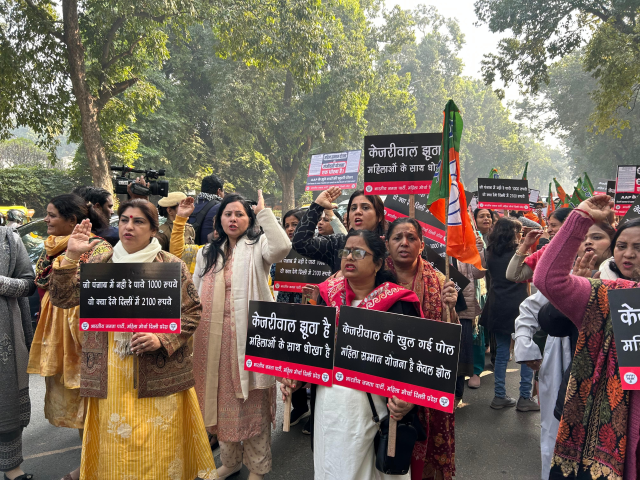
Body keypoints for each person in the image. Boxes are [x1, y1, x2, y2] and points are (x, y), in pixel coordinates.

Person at [47, 199, 216, 480]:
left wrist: (162, 338)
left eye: (138, 221)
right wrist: (72, 257)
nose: (129, 226)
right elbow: (61, 298)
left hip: (158, 374)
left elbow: (192, 311)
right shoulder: (100, 263)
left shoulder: (170, 265)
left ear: (152, 230)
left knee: (159, 446)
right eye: (124, 219)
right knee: (116, 447)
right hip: (110, 371)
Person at [282, 229, 425, 480]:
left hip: (377, 408)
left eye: (359, 253)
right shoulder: (324, 297)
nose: (349, 257)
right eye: (346, 252)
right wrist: (296, 379)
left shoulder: (398, 304)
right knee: (336, 466)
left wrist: (408, 399)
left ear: (378, 263)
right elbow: (309, 355)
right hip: (331, 407)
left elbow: (417, 365)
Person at [533, 195, 640, 479]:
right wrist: (580, 217)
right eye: (623, 246)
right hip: (611, 443)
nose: (629, 254)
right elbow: (548, 279)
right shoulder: (608, 294)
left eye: (639, 247)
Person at [192, 191, 291, 480]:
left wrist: (265, 213)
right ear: (219, 218)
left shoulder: (258, 244)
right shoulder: (207, 252)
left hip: (249, 339)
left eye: (239, 214)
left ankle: (258, 469)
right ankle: (231, 462)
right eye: (227, 214)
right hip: (212, 342)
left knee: (251, 403)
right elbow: (196, 293)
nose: (233, 219)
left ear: (249, 220)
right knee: (219, 402)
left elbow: (282, 247)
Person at [513, 220, 614, 477]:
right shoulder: (566, 277)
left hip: (612, 381)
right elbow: (530, 311)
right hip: (563, 369)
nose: (589, 242)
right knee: (556, 435)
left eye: (598, 237)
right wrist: (526, 348)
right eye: (585, 238)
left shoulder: (624, 281)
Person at [26, 194, 113, 480]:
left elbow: (80, 286)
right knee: (77, 404)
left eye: (52, 215)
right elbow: (41, 278)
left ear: (73, 220)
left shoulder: (100, 247)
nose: (47, 220)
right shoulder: (50, 247)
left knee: (93, 401)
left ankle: (97, 466)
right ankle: (90, 465)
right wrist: (67, 260)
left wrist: (70, 259)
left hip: (83, 332)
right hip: (56, 328)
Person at [384, 218, 458, 480]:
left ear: (422, 245)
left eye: (411, 237)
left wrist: (450, 307)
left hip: (426, 380)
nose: (404, 242)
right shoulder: (374, 276)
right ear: (387, 243)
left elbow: (449, 339)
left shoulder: (439, 281)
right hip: (382, 380)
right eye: (397, 237)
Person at [479, 217, 537, 410]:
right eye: (519, 231)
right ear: (513, 233)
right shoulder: (520, 253)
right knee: (526, 352)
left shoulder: (490, 251)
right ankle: (525, 398)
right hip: (520, 307)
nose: (521, 235)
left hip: (497, 305)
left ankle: (499, 395)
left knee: (502, 353)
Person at [0, 227, 35, 480]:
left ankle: (11, 468)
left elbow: (28, 284)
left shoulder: (8, 238)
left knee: (6, 401)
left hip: (5, 338)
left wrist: (1, 282)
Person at [292, 187, 387, 274]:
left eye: (365, 207)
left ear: (379, 216)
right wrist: (317, 206)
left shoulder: (389, 245)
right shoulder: (338, 243)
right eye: (353, 208)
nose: (358, 212)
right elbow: (301, 243)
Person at [506, 207, 573, 283]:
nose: (548, 230)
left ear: (569, 225)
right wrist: (525, 245)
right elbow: (513, 276)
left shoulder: (584, 248)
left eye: (553, 225)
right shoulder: (546, 249)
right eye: (548, 225)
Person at [189, 174, 225, 244]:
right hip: (209, 251)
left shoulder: (190, 205)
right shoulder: (221, 207)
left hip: (190, 250)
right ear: (219, 191)